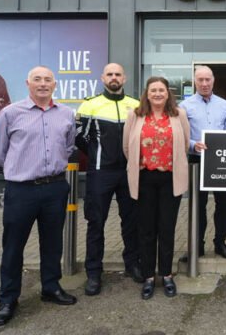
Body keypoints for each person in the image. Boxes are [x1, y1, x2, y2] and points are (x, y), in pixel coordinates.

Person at [0, 66, 77, 327]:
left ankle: (51, 287)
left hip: (55, 188)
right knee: (13, 246)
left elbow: (69, 146)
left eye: (47, 80)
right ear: (28, 83)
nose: (43, 84)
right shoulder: (10, 113)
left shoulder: (66, 114)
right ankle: (8, 299)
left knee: (52, 243)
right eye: (37, 79)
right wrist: (21, 169)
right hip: (21, 190)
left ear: (54, 85)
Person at [75, 62, 141, 296]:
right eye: (110, 74)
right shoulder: (90, 104)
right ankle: (93, 272)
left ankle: (132, 264)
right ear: (103, 78)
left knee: (131, 221)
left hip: (128, 172)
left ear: (124, 78)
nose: (114, 77)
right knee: (96, 222)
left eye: (118, 74)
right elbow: (80, 138)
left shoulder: (136, 105)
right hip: (100, 172)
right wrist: (98, 157)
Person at [123, 77, 190, 299]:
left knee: (167, 228)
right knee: (146, 230)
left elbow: (185, 143)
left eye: (162, 90)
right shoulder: (135, 115)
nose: (158, 94)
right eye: (153, 90)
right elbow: (127, 147)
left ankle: (167, 274)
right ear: (147, 93)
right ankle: (149, 276)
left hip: (170, 179)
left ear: (168, 93)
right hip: (144, 179)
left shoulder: (178, 115)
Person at [179, 65, 226, 260]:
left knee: (223, 204)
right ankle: (197, 245)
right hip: (196, 159)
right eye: (200, 80)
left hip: (221, 160)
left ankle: (220, 243)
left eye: (207, 79)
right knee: (198, 204)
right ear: (195, 81)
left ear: (213, 80)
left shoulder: (224, 104)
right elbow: (181, 135)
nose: (204, 83)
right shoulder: (184, 106)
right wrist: (193, 145)